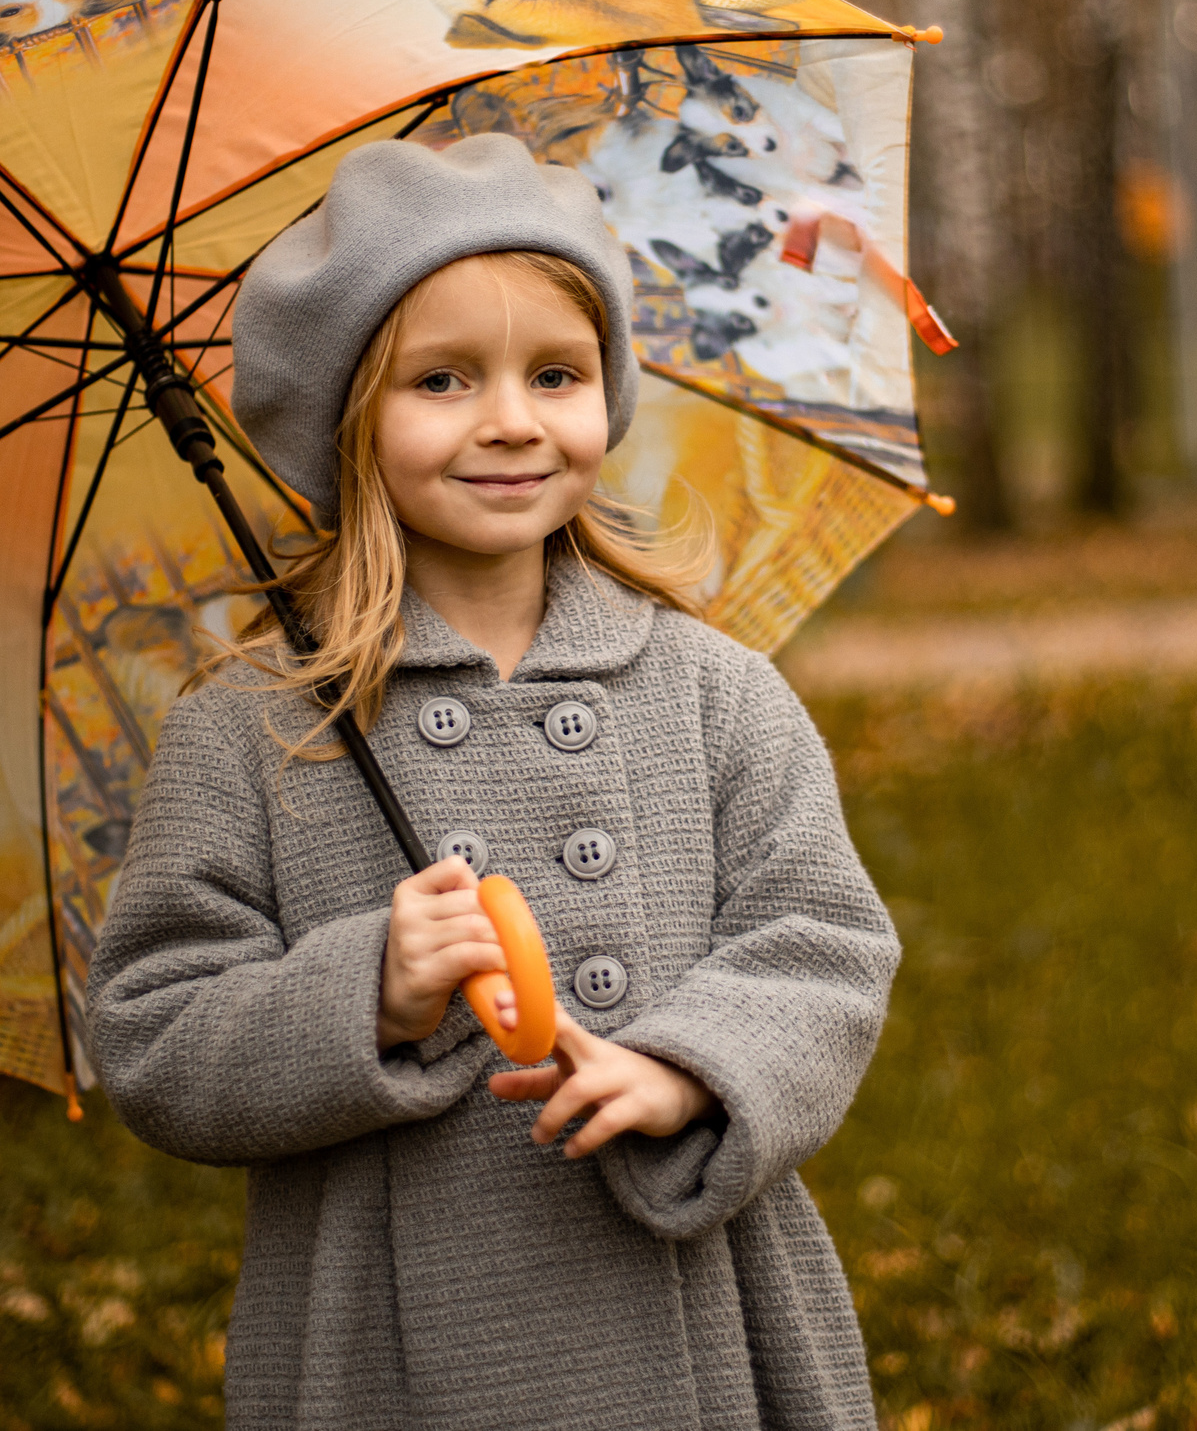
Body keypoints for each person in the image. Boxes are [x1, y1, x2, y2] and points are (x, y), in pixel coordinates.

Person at [87, 132, 900, 1430]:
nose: (513, 420)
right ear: (349, 419)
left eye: (556, 374)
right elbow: (153, 1032)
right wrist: (368, 990)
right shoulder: (254, 728)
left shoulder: (715, 693)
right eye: (443, 379)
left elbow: (822, 946)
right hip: (392, 1345)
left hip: (693, 1312)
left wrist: (691, 1072)